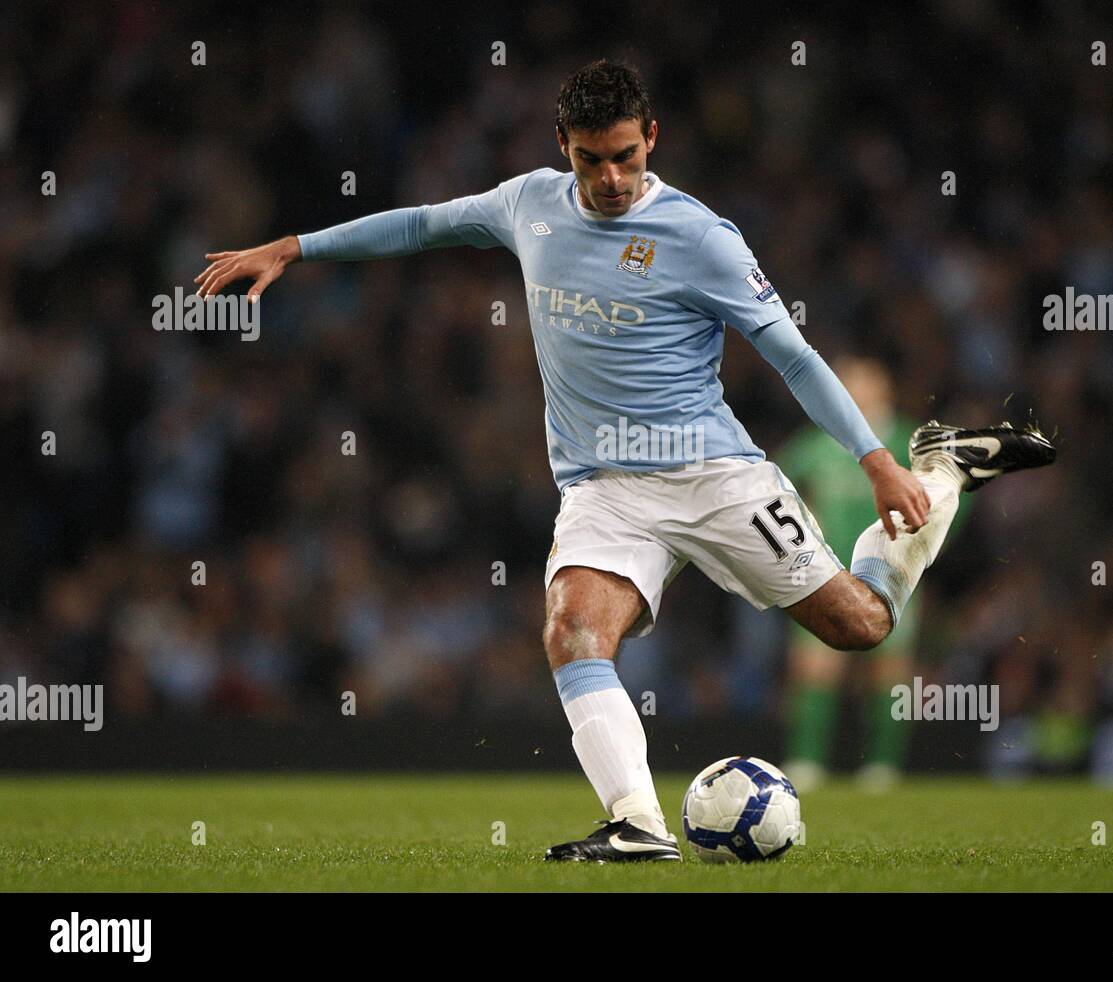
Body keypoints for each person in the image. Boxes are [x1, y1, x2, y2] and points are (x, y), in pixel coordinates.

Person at [194, 59, 1055, 862]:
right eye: (590, 160)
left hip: (713, 475)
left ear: (653, 138)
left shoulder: (701, 237)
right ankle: (638, 823)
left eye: (624, 157)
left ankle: (943, 468)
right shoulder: (527, 203)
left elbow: (792, 356)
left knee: (862, 628)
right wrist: (296, 246)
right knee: (571, 630)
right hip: (603, 489)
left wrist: (875, 458)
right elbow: (423, 225)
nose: (609, 178)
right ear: (560, 148)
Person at [779, 357, 968, 792]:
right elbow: (776, 484)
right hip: (824, 573)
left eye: (865, 385)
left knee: (888, 671)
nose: (856, 394)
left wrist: (924, 543)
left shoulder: (908, 442)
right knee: (814, 668)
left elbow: (954, 493)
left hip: (893, 572)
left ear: (885, 391)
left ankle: (882, 768)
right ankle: (807, 763)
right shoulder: (818, 441)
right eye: (849, 386)